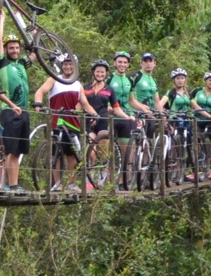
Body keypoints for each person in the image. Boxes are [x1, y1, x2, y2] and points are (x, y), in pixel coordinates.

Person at [32, 54, 99, 191]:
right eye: (65, 64)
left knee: (72, 154)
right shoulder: (54, 79)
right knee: (56, 154)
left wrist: (95, 114)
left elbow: (85, 103)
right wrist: (38, 103)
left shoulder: (77, 85)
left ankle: (72, 183)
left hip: (72, 123)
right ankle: (57, 184)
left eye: (71, 64)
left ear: (75, 66)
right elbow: (40, 91)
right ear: (62, 66)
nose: (68, 67)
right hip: (56, 122)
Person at [0, 12, 28, 192]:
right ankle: (9, 184)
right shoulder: (3, 65)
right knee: (10, 149)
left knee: (17, 151)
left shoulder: (22, 64)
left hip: (24, 111)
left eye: (16, 48)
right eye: (11, 48)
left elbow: (35, 50)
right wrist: (2, 19)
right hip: (9, 110)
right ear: (7, 50)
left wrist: (29, 27)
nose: (14, 50)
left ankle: (14, 185)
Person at [106, 51, 135, 190]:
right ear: (114, 63)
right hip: (111, 117)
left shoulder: (129, 80)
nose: (122, 64)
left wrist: (145, 109)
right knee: (109, 151)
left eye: (125, 62)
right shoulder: (109, 78)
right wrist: (106, 107)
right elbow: (101, 94)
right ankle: (109, 182)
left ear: (128, 64)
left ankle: (123, 182)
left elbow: (132, 100)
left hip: (126, 117)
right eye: (120, 62)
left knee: (126, 151)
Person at [83, 59, 115, 181]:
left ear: (106, 73)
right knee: (90, 152)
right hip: (89, 121)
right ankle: (89, 180)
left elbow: (116, 107)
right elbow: (80, 104)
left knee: (103, 152)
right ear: (93, 72)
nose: (100, 74)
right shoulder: (85, 88)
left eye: (102, 72)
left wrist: (127, 117)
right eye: (97, 72)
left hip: (103, 121)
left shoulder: (109, 89)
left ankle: (102, 180)